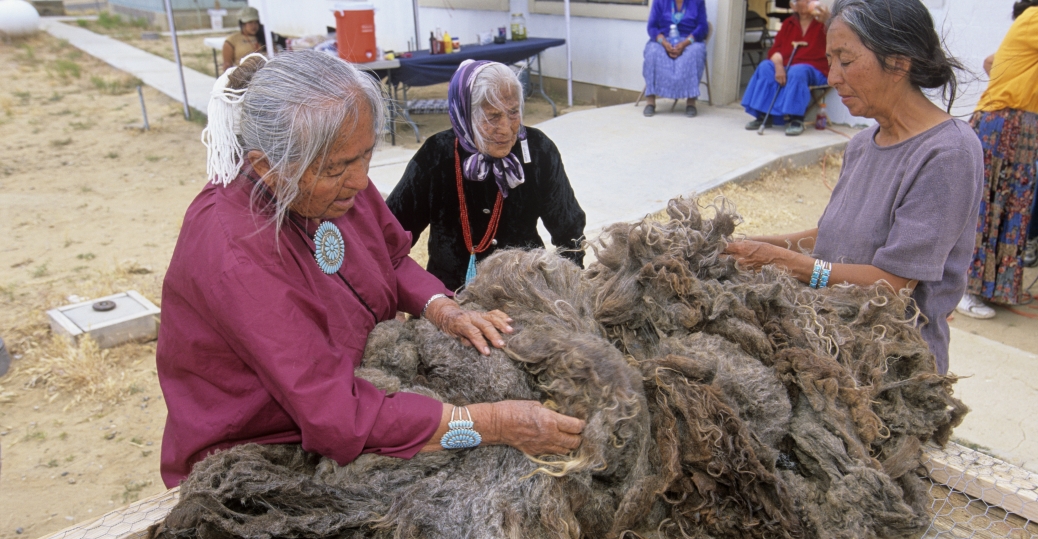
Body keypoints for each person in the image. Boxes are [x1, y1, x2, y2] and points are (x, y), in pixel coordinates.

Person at [157, 51, 585, 488]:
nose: (362, 181)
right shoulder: (236, 250)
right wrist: (493, 425)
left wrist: (444, 310)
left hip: (369, 391)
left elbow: (393, 256)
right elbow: (338, 417)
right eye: (339, 168)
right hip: (264, 452)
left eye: (366, 156)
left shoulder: (330, 172)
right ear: (268, 167)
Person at [724, 0, 984, 375]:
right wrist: (753, 245)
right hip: (828, 343)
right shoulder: (862, 144)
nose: (832, 77)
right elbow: (836, 234)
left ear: (898, 62)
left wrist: (789, 264)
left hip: (888, 367)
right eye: (830, 61)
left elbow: (893, 284)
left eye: (845, 61)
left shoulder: (948, 152)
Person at [387, 60, 586, 292]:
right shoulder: (435, 155)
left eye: (513, 113)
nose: (506, 128)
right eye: (493, 116)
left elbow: (569, 230)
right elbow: (391, 235)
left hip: (525, 293)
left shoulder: (538, 150)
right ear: (465, 115)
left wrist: (571, 288)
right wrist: (399, 292)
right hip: (452, 298)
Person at [956, 0, 1038, 319]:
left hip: (1020, 124)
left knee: (1012, 207)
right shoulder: (1034, 18)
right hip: (1003, 122)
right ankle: (965, 289)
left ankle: (991, 287)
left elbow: (991, 61)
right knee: (989, 206)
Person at [741, 0, 830, 136]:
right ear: (794, 5)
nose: (808, 2)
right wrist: (778, 66)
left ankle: (796, 119)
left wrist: (829, 21)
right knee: (765, 67)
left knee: (797, 71)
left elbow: (836, 40)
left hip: (815, 68)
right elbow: (774, 50)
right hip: (788, 65)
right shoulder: (788, 23)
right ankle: (765, 115)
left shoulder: (823, 23)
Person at [641, 0, 708, 117]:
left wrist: (685, 43)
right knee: (652, 51)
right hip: (664, 40)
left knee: (696, 52)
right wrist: (664, 42)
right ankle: (650, 101)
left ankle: (691, 102)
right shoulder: (659, 2)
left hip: (689, 41)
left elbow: (703, 27)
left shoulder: (698, 1)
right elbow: (651, 27)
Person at [221, 6, 263, 72]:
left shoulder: (264, 37)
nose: (254, 25)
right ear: (242, 24)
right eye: (250, 22)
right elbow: (227, 65)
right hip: (243, 76)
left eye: (256, 22)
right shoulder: (232, 40)